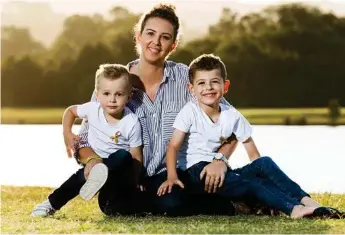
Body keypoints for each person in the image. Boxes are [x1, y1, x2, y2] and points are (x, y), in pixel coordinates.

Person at [73, 4, 238, 216]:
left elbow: (233, 123)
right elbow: (84, 141)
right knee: (115, 205)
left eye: (165, 37)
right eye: (150, 33)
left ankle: (229, 202)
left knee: (171, 202)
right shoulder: (113, 83)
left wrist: (220, 160)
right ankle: (226, 202)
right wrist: (92, 161)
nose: (156, 42)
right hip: (126, 179)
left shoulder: (186, 80)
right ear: (139, 36)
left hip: (169, 176)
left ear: (173, 45)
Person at [157, 53, 345, 219]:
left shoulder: (232, 116)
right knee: (251, 183)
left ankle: (309, 203)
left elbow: (255, 157)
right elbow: (173, 146)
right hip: (196, 174)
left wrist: (260, 170)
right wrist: (172, 176)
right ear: (192, 89)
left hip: (223, 172)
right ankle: (293, 209)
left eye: (214, 81)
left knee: (265, 163)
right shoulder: (189, 112)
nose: (209, 87)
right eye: (201, 83)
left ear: (226, 85)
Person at [31, 64, 144, 217]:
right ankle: (51, 204)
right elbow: (70, 111)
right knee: (81, 176)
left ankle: (107, 192)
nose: (112, 99)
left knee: (123, 156)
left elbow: (136, 156)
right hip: (96, 162)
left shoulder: (131, 121)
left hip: (118, 171)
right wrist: (67, 132)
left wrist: (136, 180)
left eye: (119, 94)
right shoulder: (92, 109)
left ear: (129, 96)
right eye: (106, 93)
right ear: (97, 94)